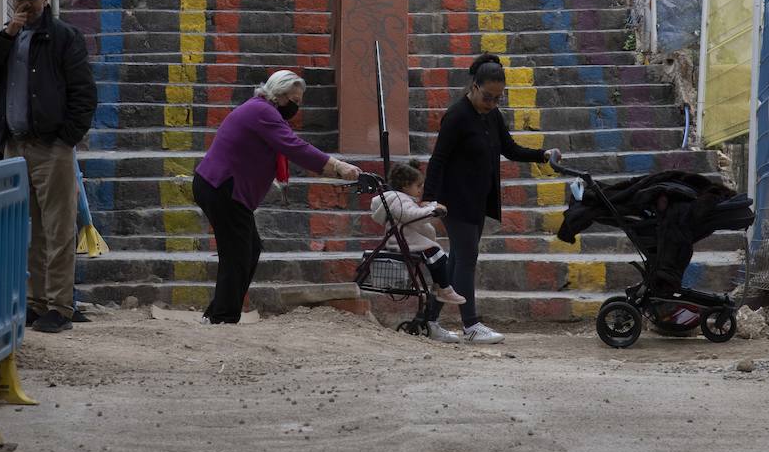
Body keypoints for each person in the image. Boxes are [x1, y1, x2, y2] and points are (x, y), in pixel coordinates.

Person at [0, 0, 97, 334]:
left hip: (51, 148)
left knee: (58, 229)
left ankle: (60, 306)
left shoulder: (63, 38)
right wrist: (7, 33)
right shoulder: (9, 36)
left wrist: (66, 138)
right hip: (14, 145)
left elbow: (84, 93)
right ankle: (34, 302)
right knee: (28, 230)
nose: (25, 2)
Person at [194, 70, 362, 324]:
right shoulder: (262, 112)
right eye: (293, 99)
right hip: (222, 187)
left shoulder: (262, 110)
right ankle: (222, 317)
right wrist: (337, 165)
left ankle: (218, 313)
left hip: (224, 188)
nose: (295, 105)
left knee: (247, 250)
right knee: (238, 254)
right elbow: (294, 146)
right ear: (278, 94)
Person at [422, 53, 559, 344]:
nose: (492, 103)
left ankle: (428, 320)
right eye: (488, 97)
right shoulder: (457, 116)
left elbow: (509, 149)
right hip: (455, 201)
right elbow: (438, 159)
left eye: (498, 98)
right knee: (467, 259)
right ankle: (470, 325)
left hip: (479, 199)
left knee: (455, 261)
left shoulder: (492, 115)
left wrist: (541, 155)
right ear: (473, 86)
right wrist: (429, 199)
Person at [369, 160, 466, 306]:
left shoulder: (400, 199)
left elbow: (412, 213)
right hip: (403, 241)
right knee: (437, 254)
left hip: (406, 239)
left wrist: (430, 207)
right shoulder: (399, 199)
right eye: (418, 186)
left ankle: (440, 286)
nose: (421, 189)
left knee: (436, 254)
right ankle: (444, 288)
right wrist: (432, 210)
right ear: (406, 186)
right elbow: (411, 215)